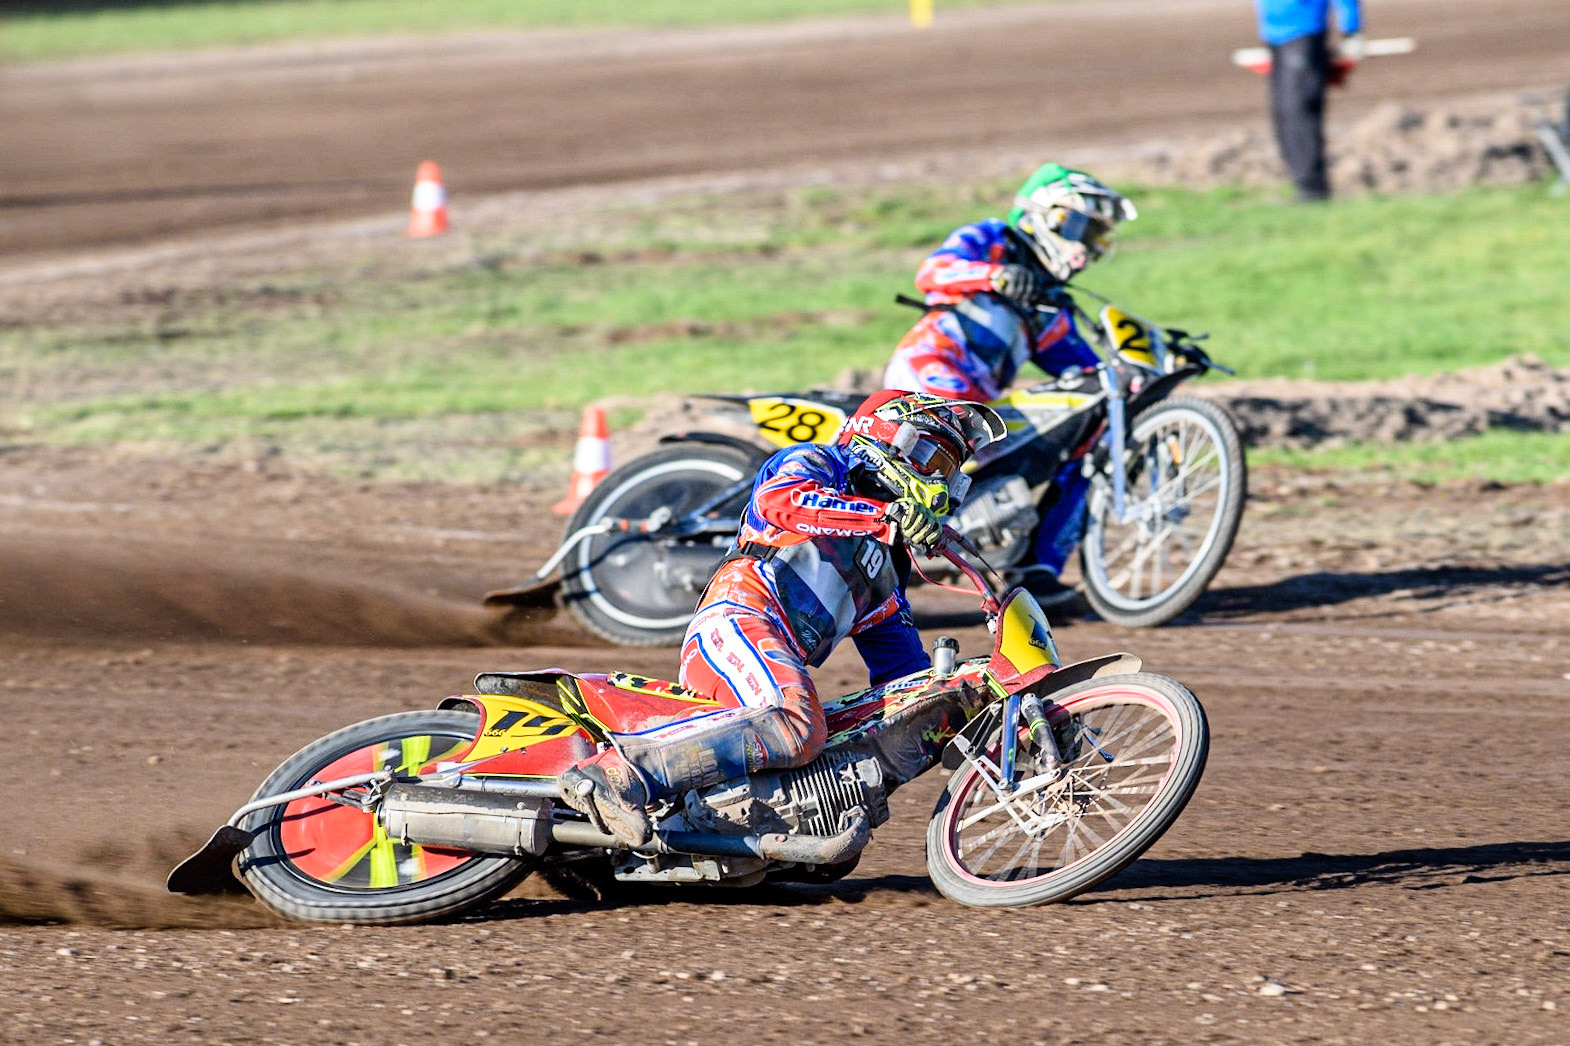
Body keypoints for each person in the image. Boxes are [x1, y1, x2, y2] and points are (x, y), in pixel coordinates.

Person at [557, 391, 1004, 846]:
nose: (938, 479)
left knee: (845, 737)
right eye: (931, 457)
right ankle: (613, 775)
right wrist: (884, 516)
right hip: (737, 618)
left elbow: (904, 678)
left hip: (771, 659)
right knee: (796, 722)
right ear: (887, 437)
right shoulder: (821, 464)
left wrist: (967, 707)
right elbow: (781, 502)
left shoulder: (888, 568)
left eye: (949, 472)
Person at [882, 162, 1135, 605]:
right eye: (1083, 228)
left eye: (1098, 236)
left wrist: (1133, 383)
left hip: (980, 411)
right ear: (1048, 214)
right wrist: (992, 276)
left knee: (1088, 427)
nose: (1088, 245)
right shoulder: (992, 238)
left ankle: (1036, 570)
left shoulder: (1048, 306)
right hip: (930, 372)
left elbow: (1083, 371)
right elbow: (932, 273)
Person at [1256, 0, 1363, 201]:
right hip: (1273, 33)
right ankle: (1301, 185)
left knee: (1300, 109)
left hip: (1304, 30)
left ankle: (1313, 189)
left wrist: (1351, 28)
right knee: (1284, 112)